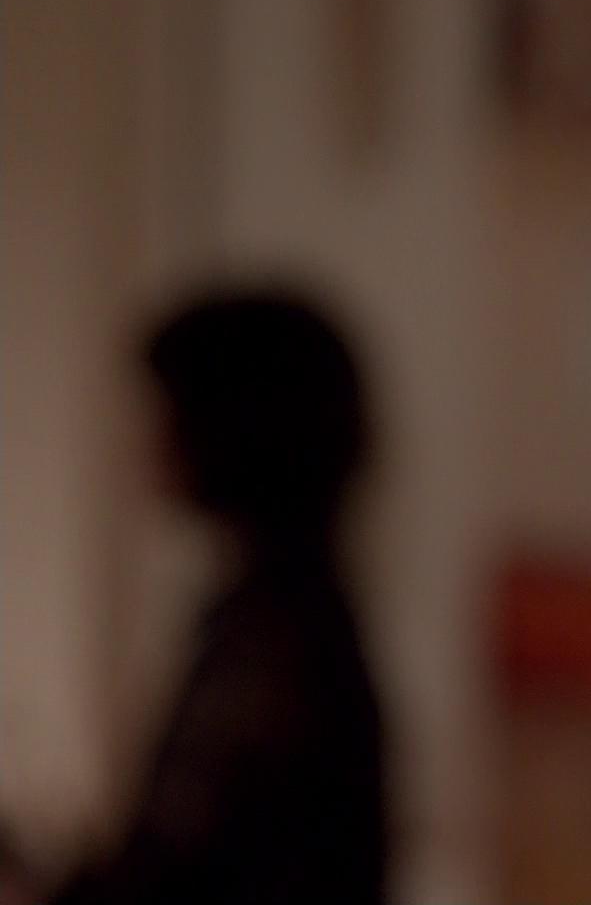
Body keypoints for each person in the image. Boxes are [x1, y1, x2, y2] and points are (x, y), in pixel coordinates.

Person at [50, 288, 389, 905]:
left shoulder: (274, 644)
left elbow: (182, 873)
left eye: (171, 412)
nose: (152, 439)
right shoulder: (283, 622)